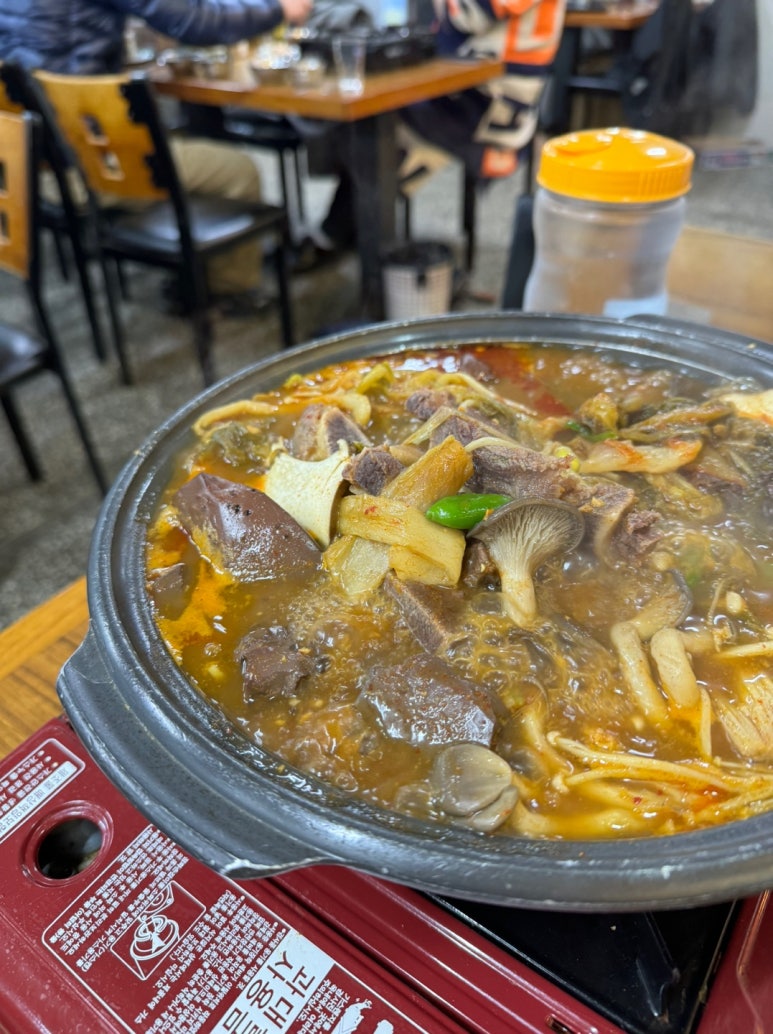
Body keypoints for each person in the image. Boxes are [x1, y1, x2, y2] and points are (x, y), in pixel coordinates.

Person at [0, 0, 313, 314]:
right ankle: (223, 291)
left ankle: (193, 266)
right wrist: (279, 10)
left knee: (176, 140)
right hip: (84, 168)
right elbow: (196, 21)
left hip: (25, 164)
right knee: (238, 168)